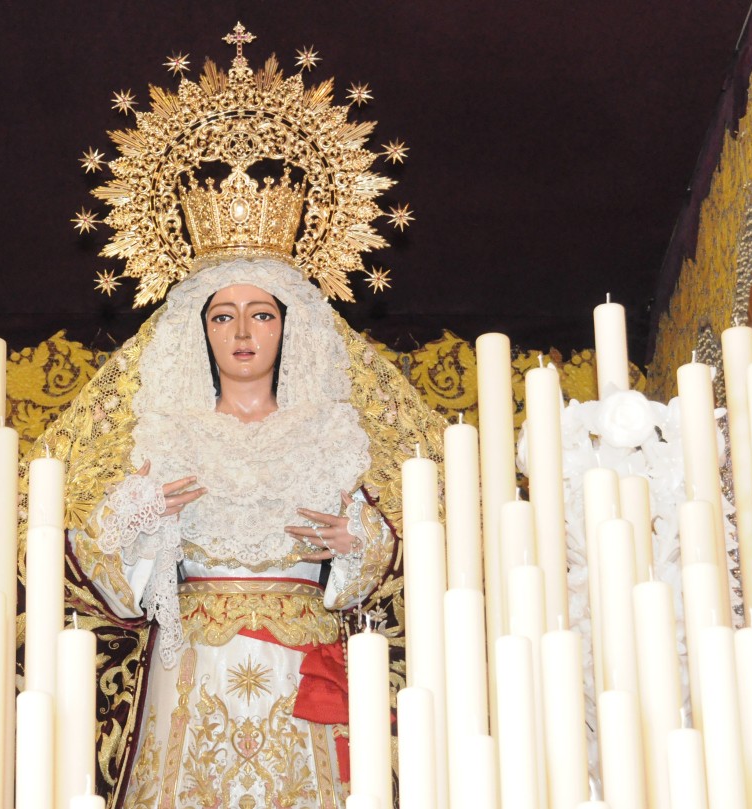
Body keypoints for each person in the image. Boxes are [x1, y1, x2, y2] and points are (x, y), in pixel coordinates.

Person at [22, 252, 445, 808]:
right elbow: (92, 573)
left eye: (261, 314)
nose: (242, 332)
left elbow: (403, 567)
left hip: (302, 660)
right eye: (223, 316)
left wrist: (359, 544)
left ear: (288, 327)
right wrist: (136, 520)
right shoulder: (163, 436)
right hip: (193, 664)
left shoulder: (333, 436)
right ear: (201, 331)